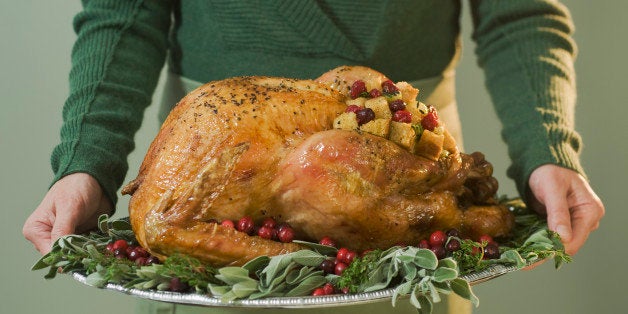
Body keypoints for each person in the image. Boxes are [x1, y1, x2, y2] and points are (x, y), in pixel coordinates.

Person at [23, 1, 604, 314]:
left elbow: (519, 12)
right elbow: (123, 13)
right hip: (215, 156)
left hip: (408, 145)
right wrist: (87, 164)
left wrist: (547, 149)